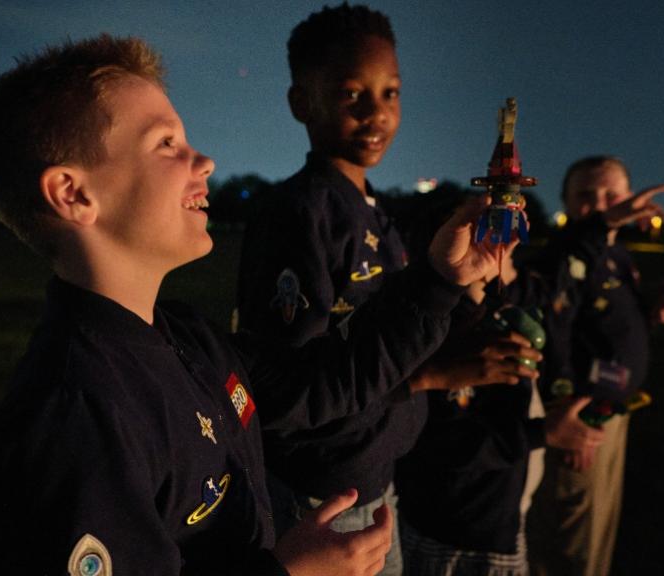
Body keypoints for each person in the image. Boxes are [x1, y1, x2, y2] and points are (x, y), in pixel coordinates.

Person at [0, 34, 502, 576]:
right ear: (73, 194)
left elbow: (314, 384)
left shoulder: (187, 338)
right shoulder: (78, 418)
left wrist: (440, 279)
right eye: (166, 143)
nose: (205, 161)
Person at [236, 6, 513, 573]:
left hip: (376, 478)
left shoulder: (375, 213)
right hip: (324, 497)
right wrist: (428, 378)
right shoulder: (301, 214)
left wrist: (471, 287)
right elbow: (296, 389)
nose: (377, 112)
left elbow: (391, 328)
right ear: (301, 103)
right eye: (351, 94)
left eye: (391, 93)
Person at [393, 194, 606, 576]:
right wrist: (542, 433)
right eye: (490, 235)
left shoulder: (499, 313)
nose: (507, 247)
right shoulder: (440, 336)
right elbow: (441, 444)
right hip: (456, 533)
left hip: (498, 519)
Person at [520, 156, 664, 576]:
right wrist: (565, 413)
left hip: (610, 412)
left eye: (611, 196)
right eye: (585, 195)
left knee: (597, 533)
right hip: (578, 420)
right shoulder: (563, 254)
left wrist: (652, 313)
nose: (598, 205)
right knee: (568, 540)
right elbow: (552, 331)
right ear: (564, 200)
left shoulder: (613, 251)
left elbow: (599, 326)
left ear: (629, 197)